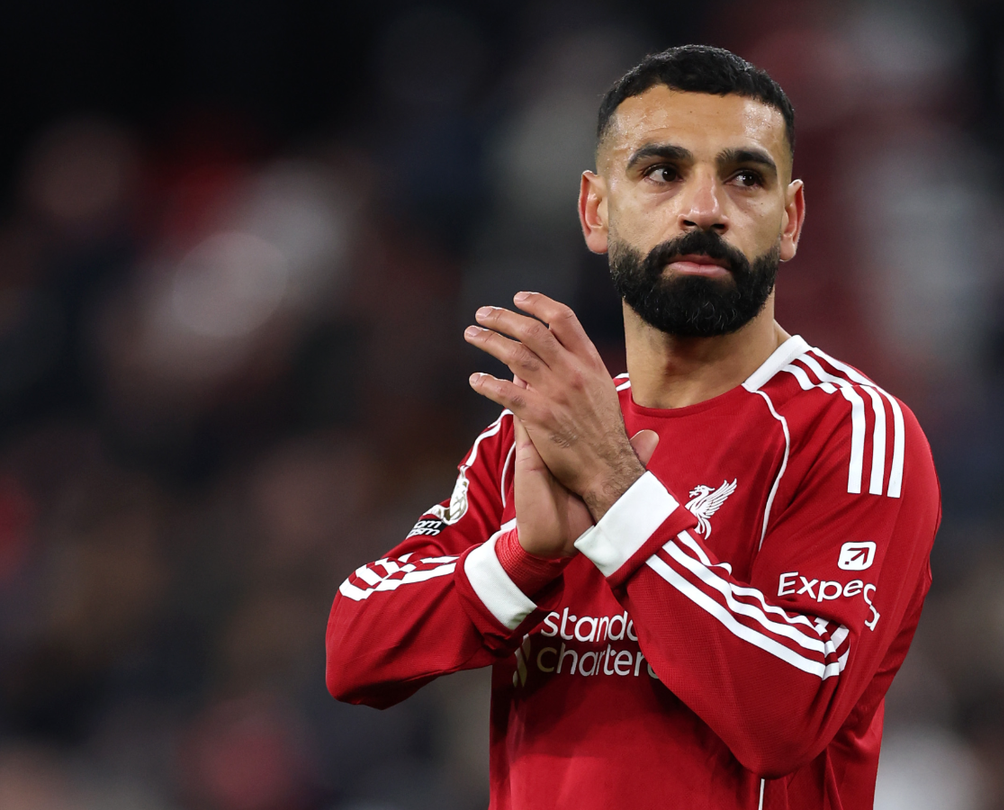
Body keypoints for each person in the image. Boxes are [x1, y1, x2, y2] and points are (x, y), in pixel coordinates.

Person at [325, 44, 940, 809]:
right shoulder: (547, 427)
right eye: (662, 172)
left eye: (745, 177)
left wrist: (620, 492)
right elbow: (355, 651)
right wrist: (523, 560)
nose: (705, 208)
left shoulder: (851, 432)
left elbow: (788, 712)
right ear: (594, 209)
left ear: (790, 221)